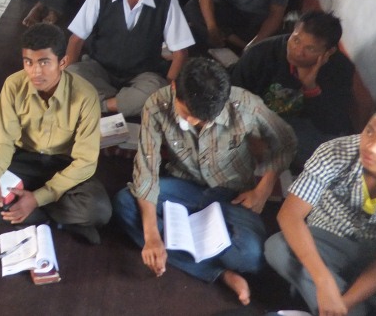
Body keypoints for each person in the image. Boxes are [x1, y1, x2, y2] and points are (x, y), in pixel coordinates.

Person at [113, 58, 297, 306]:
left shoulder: (244, 104)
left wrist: (263, 188)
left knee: (251, 257)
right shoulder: (157, 105)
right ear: (176, 89)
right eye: (188, 114)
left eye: (204, 120)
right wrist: (151, 235)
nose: (194, 123)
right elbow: (147, 171)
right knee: (124, 203)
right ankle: (218, 273)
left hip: (232, 195)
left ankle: (186, 244)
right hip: (183, 187)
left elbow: (285, 141)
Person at [265, 94, 376, 316]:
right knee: (279, 247)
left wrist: (345, 302)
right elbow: (290, 216)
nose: (371, 147)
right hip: (326, 241)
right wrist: (323, 281)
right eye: (369, 131)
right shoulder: (335, 152)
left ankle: (335, 305)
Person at [0, 23, 111, 244]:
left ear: (63, 63)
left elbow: (85, 162)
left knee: (98, 210)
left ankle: (26, 211)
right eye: (28, 62)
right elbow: (3, 142)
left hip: (63, 164)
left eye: (44, 62)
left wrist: (38, 198)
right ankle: (58, 220)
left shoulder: (85, 96)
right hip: (24, 160)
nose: (35, 72)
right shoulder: (13, 85)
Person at [66, 0, 194, 116]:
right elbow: (76, 39)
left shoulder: (166, 2)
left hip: (142, 75)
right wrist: (67, 80)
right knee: (72, 74)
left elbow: (181, 53)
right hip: (100, 69)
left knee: (156, 90)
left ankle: (101, 105)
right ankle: (124, 104)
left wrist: (167, 88)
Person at [231, 11, 355, 168]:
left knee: (331, 151)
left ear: (328, 52)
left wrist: (311, 88)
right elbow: (234, 99)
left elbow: (333, 125)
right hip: (254, 122)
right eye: (295, 40)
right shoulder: (261, 53)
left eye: (310, 49)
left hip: (296, 130)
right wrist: (251, 136)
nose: (297, 51)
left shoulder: (340, 69)